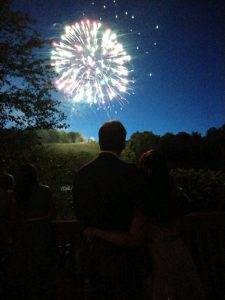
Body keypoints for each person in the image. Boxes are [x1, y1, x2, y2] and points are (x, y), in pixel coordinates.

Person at [84, 150, 207, 300]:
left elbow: (133, 239)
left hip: (156, 258)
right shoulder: (177, 197)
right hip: (179, 252)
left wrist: (97, 232)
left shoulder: (145, 205)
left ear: (145, 170)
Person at [73, 120, 151, 300]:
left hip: (95, 257)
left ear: (100, 142)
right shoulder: (133, 173)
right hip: (128, 260)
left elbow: (80, 215)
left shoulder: (82, 174)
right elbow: (143, 214)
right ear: (123, 143)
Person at [5, 164, 57, 300]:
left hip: (24, 238)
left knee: (26, 272)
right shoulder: (45, 191)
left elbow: (12, 218)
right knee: (43, 270)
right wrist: (42, 220)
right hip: (43, 236)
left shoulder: (16, 195)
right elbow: (52, 213)